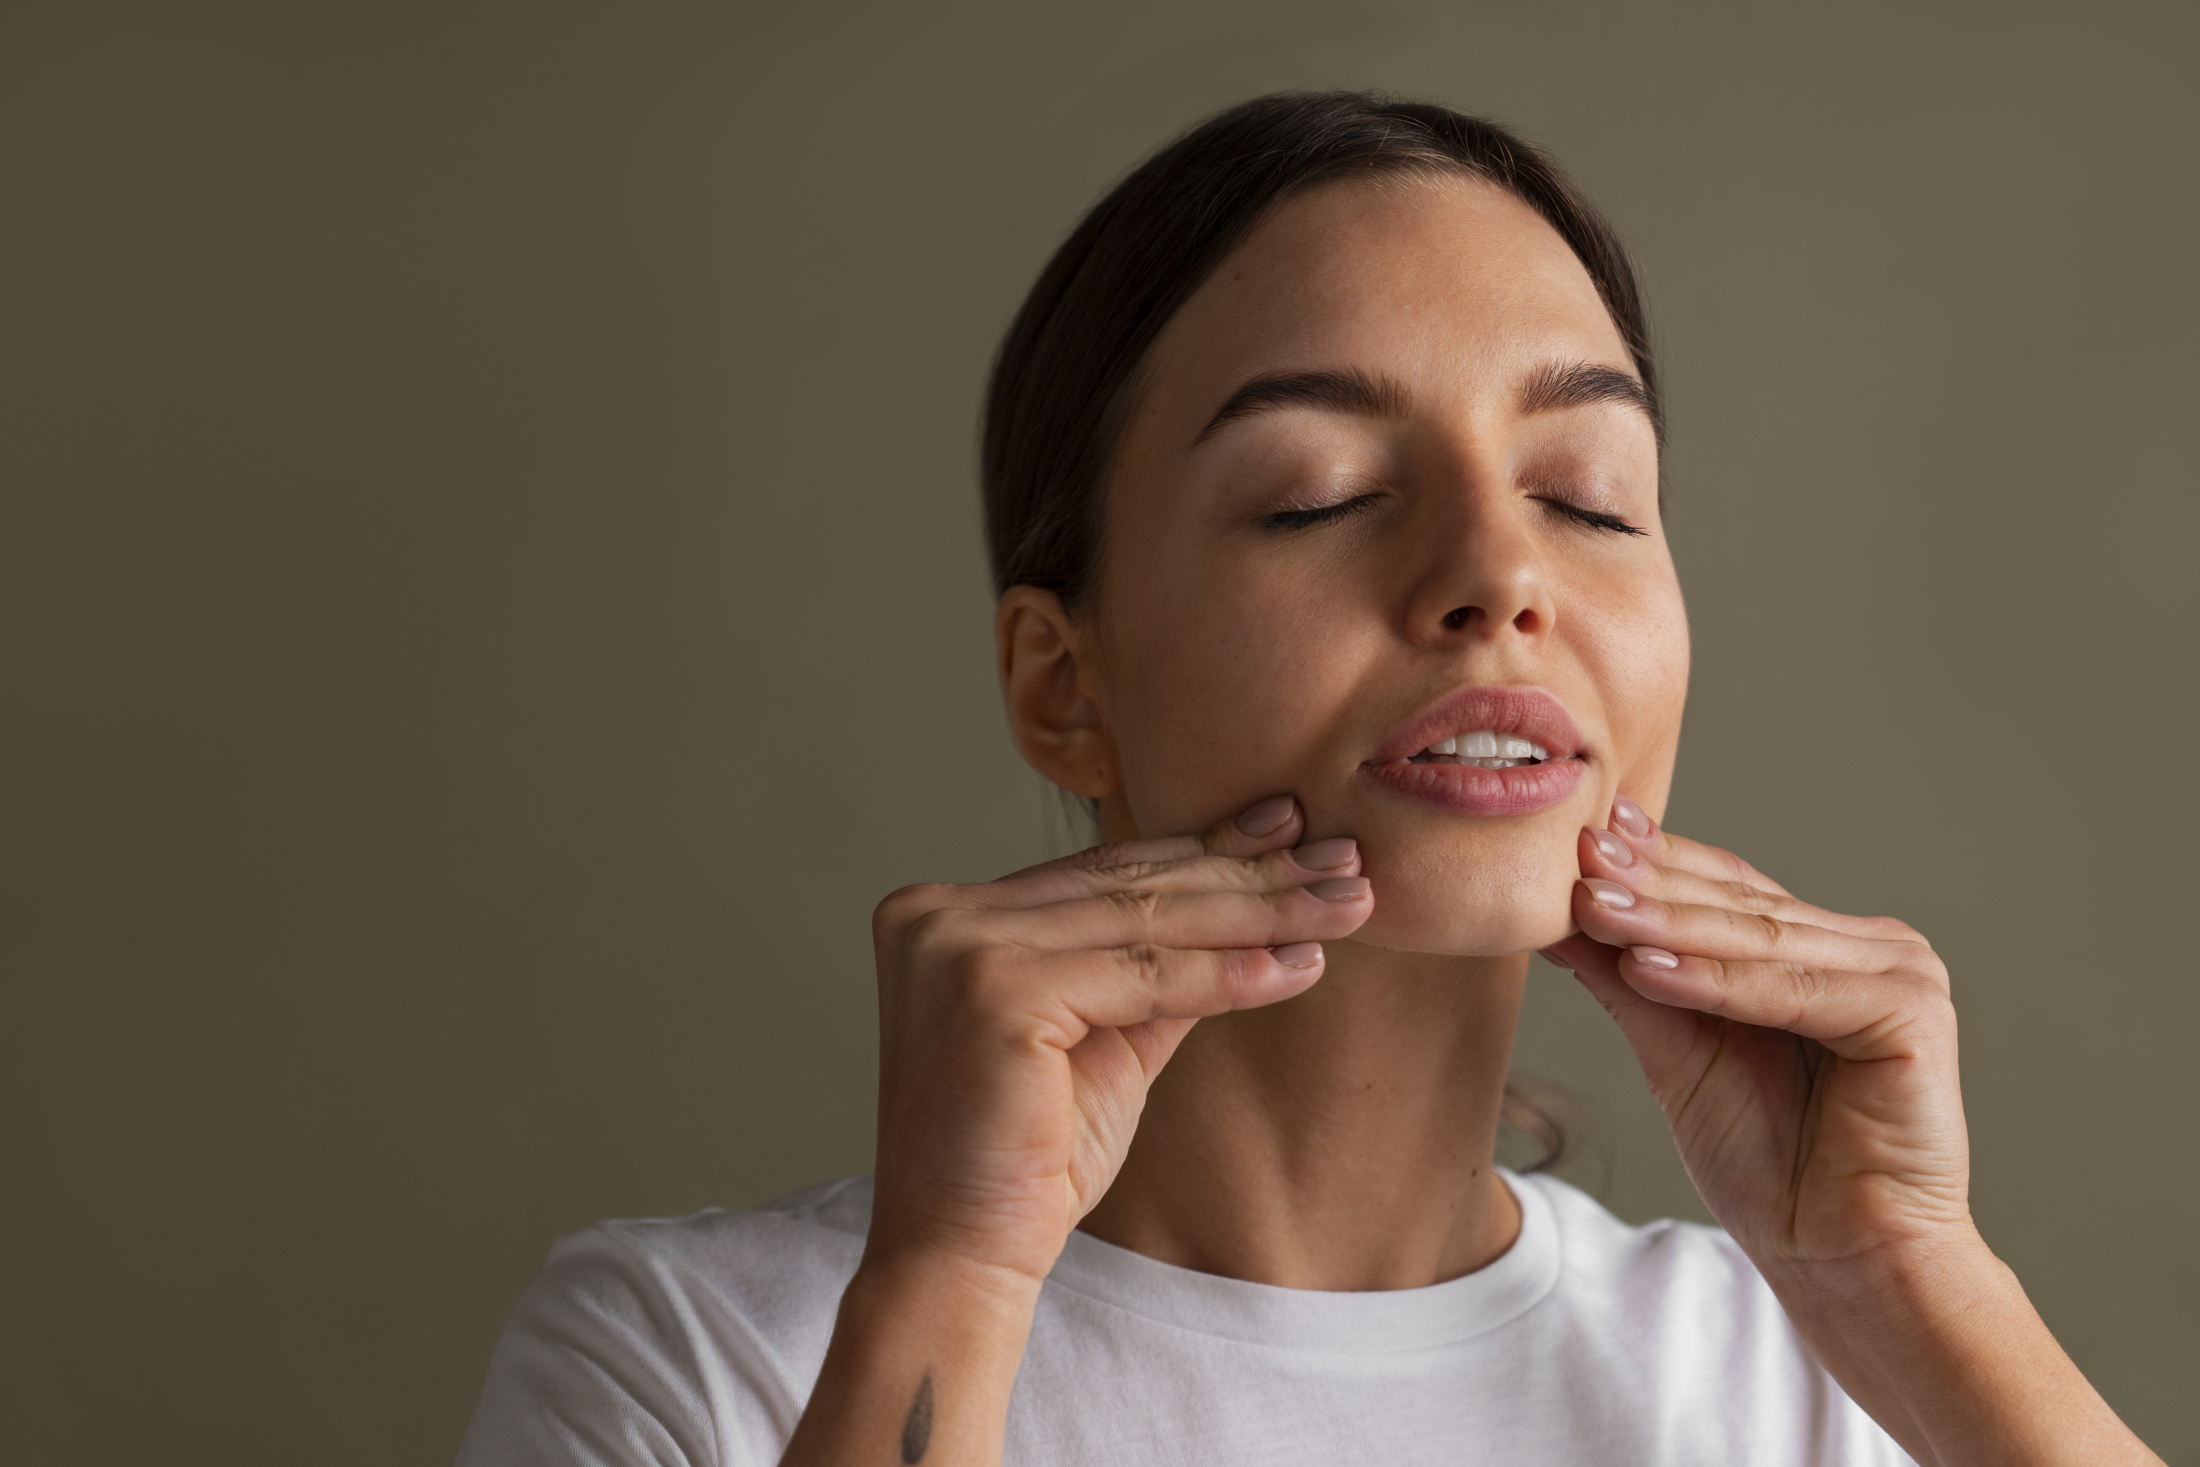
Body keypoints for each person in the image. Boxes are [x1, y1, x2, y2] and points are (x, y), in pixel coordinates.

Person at [456, 92, 2160, 1467]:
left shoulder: (1819, 1384)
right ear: (1067, 686)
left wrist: (1916, 1289)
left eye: (1586, 492)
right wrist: (957, 1283)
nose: (1500, 575)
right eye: (1322, 494)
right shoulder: (692, 1362)